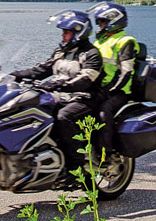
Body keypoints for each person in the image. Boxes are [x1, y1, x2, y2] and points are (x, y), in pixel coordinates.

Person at [11, 10, 103, 169]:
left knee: (63, 117)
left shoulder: (92, 54)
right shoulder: (61, 51)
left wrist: (58, 85)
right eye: (63, 32)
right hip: (59, 96)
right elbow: (42, 69)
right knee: (28, 107)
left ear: (78, 32)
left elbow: (85, 80)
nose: (63, 35)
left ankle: (79, 165)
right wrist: (15, 75)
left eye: (66, 32)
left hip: (84, 98)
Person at [87, 1, 139, 154]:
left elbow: (126, 72)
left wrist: (110, 90)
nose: (99, 25)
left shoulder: (125, 41)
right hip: (99, 88)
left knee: (103, 111)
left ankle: (106, 152)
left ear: (113, 21)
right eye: (98, 22)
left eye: (102, 21)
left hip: (119, 91)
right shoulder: (100, 42)